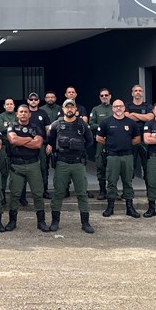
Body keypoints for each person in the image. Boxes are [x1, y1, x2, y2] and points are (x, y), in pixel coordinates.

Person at [47, 99, 94, 233]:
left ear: (75, 110)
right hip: (62, 163)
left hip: (78, 163)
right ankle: (55, 221)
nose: (69, 109)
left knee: (82, 193)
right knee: (58, 193)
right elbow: (50, 140)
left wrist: (79, 149)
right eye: (67, 107)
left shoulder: (82, 124)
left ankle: (85, 223)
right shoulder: (56, 124)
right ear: (63, 109)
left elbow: (90, 141)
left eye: (71, 107)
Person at [6, 105, 51, 232]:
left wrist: (22, 141)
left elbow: (38, 144)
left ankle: (41, 222)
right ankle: (12, 221)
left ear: (29, 114)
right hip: (16, 165)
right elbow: (13, 140)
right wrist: (29, 139)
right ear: (17, 114)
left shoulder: (36, 127)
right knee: (15, 194)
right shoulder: (12, 126)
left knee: (37, 193)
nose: (23, 114)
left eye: (26, 112)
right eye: (21, 112)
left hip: (33, 165)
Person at [96, 100, 142, 218]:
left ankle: (130, 208)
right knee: (111, 181)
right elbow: (98, 137)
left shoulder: (131, 123)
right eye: (116, 106)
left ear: (124, 107)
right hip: (113, 156)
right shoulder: (106, 122)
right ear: (113, 108)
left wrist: (126, 143)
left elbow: (137, 138)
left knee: (128, 182)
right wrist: (110, 144)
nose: (118, 108)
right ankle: (110, 207)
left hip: (127, 156)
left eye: (120, 106)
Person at [89, 88, 113, 200]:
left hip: (113, 142)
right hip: (100, 141)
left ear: (110, 96)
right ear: (99, 97)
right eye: (102, 95)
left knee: (113, 167)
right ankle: (102, 190)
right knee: (100, 165)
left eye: (106, 95)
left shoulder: (115, 108)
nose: (104, 97)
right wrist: (103, 127)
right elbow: (91, 124)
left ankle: (112, 190)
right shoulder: (96, 109)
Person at [125, 85, 154, 178]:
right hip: (131, 139)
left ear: (142, 93)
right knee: (130, 166)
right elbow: (126, 117)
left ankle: (150, 191)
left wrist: (133, 114)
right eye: (136, 90)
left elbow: (150, 117)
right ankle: (129, 192)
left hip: (144, 139)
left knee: (147, 165)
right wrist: (142, 116)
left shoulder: (148, 106)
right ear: (132, 93)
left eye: (140, 91)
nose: (138, 92)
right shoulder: (127, 105)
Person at [0, 98, 17, 199]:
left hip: (16, 147)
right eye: (7, 104)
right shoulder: (0, 116)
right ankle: (2, 194)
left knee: (17, 171)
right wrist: (13, 126)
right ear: (4, 106)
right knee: (3, 171)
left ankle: (20, 196)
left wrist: (7, 125)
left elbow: (21, 127)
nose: (9, 106)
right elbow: (0, 128)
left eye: (11, 104)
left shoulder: (18, 114)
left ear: (14, 105)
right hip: (4, 147)